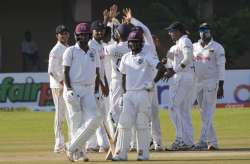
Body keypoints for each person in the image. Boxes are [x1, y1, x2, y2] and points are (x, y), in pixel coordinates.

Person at [112, 30, 167, 161]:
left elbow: (162, 68)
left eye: (136, 42)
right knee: (124, 124)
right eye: (131, 42)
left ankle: (143, 154)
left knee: (142, 124)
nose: (133, 45)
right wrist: (123, 94)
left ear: (141, 43)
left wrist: (153, 82)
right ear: (128, 43)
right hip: (129, 94)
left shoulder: (148, 55)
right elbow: (123, 77)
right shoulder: (125, 57)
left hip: (143, 93)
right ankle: (121, 154)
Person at [123, 8, 163, 151]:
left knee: (153, 114)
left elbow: (145, 29)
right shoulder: (134, 46)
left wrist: (132, 19)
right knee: (136, 116)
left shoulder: (148, 46)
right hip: (138, 87)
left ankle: (158, 143)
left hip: (150, 85)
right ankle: (136, 144)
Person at [63, 22, 104, 161]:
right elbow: (65, 72)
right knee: (76, 122)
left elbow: (98, 73)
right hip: (73, 88)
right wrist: (68, 89)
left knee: (95, 118)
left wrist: (97, 92)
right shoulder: (70, 51)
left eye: (86, 35)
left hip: (88, 89)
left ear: (89, 35)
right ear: (76, 36)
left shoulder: (94, 52)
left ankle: (71, 146)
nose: (84, 37)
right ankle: (79, 153)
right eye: (81, 35)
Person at [193, 22, 225, 150]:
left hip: (211, 82)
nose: (203, 32)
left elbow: (221, 67)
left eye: (205, 29)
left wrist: (221, 85)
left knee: (208, 112)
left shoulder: (217, 47)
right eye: (201, 29)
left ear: (210, 31)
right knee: (203, 113)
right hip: (197, 82)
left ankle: (202, 141)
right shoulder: (194, 46)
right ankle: (213, 142)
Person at [165, 21, 195, 150]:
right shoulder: (176, 46)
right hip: (181, 78)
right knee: (183, 111)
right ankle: (188, 142)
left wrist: (174, 70)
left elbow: (188, 58)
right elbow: (169, 63)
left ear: (178, 31)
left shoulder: (185, 41)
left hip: (183, 77)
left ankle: (179, 139)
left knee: (172, 107)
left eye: (171, 31)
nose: (169, 33)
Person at [86, 20, 110, 153]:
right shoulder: (91, 46)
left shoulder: (100, 45)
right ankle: (102, 144)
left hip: (100, 83)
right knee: (97, 115)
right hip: (93, 85)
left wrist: (105, 82)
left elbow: (102, 69)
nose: (100, 32)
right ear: (92, 32)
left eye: (102, 30)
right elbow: (95, 69)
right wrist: (101, 85)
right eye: (97, 30)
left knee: (100, 114)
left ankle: (93, 144)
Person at [48, 25, 70, 153]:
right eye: (61, 33)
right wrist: (62, 81)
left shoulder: (68, 48)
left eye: (65, 33)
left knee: (68, 114)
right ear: (57, 36)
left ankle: (70, 141)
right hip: (58, 86)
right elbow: (51, 70)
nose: (64, 35)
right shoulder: (55, 50)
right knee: (60, 113)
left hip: (66, 85)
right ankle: (58, 143)